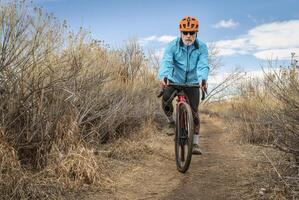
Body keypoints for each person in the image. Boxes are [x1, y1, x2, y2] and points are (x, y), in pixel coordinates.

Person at [157, 16, 209, 155]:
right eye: (185, 32)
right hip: (174, 80)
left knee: (194, 113)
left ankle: (195, 143)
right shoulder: (172, 45)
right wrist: (164, 76)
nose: (188, 36)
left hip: (192, 83)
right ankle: (171, 121)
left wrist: (203, 79)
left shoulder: (202, 47)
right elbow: (166, 62)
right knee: (166, 99)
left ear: (196, 33)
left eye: (191, 33)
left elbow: (203, 65)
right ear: (180, 32)